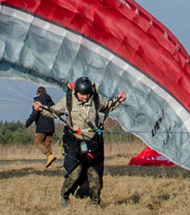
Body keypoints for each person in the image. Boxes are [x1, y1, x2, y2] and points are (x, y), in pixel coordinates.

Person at [33, 77, 126, 207]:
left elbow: (108, 105)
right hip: (74, 142)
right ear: (76, 92)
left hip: (93, 142)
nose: (85, 97)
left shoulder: (95, 99)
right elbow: (54, 112)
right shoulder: (68, 100)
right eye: (82, 95)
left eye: (87, 94)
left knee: (95, 178)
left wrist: (118, 100)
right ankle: (65, 195)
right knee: (75, 173)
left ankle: (95, 204)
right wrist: (41, 108)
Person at [25, 87, 58, 168]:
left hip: (42, 126)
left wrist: (27, 123)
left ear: (38, 93)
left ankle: (49, 155)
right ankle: (50, 164)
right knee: (47, 144)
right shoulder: (51, 102)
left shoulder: (37, 102)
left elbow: (34, 114)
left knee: (37, 142)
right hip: (51, 126)